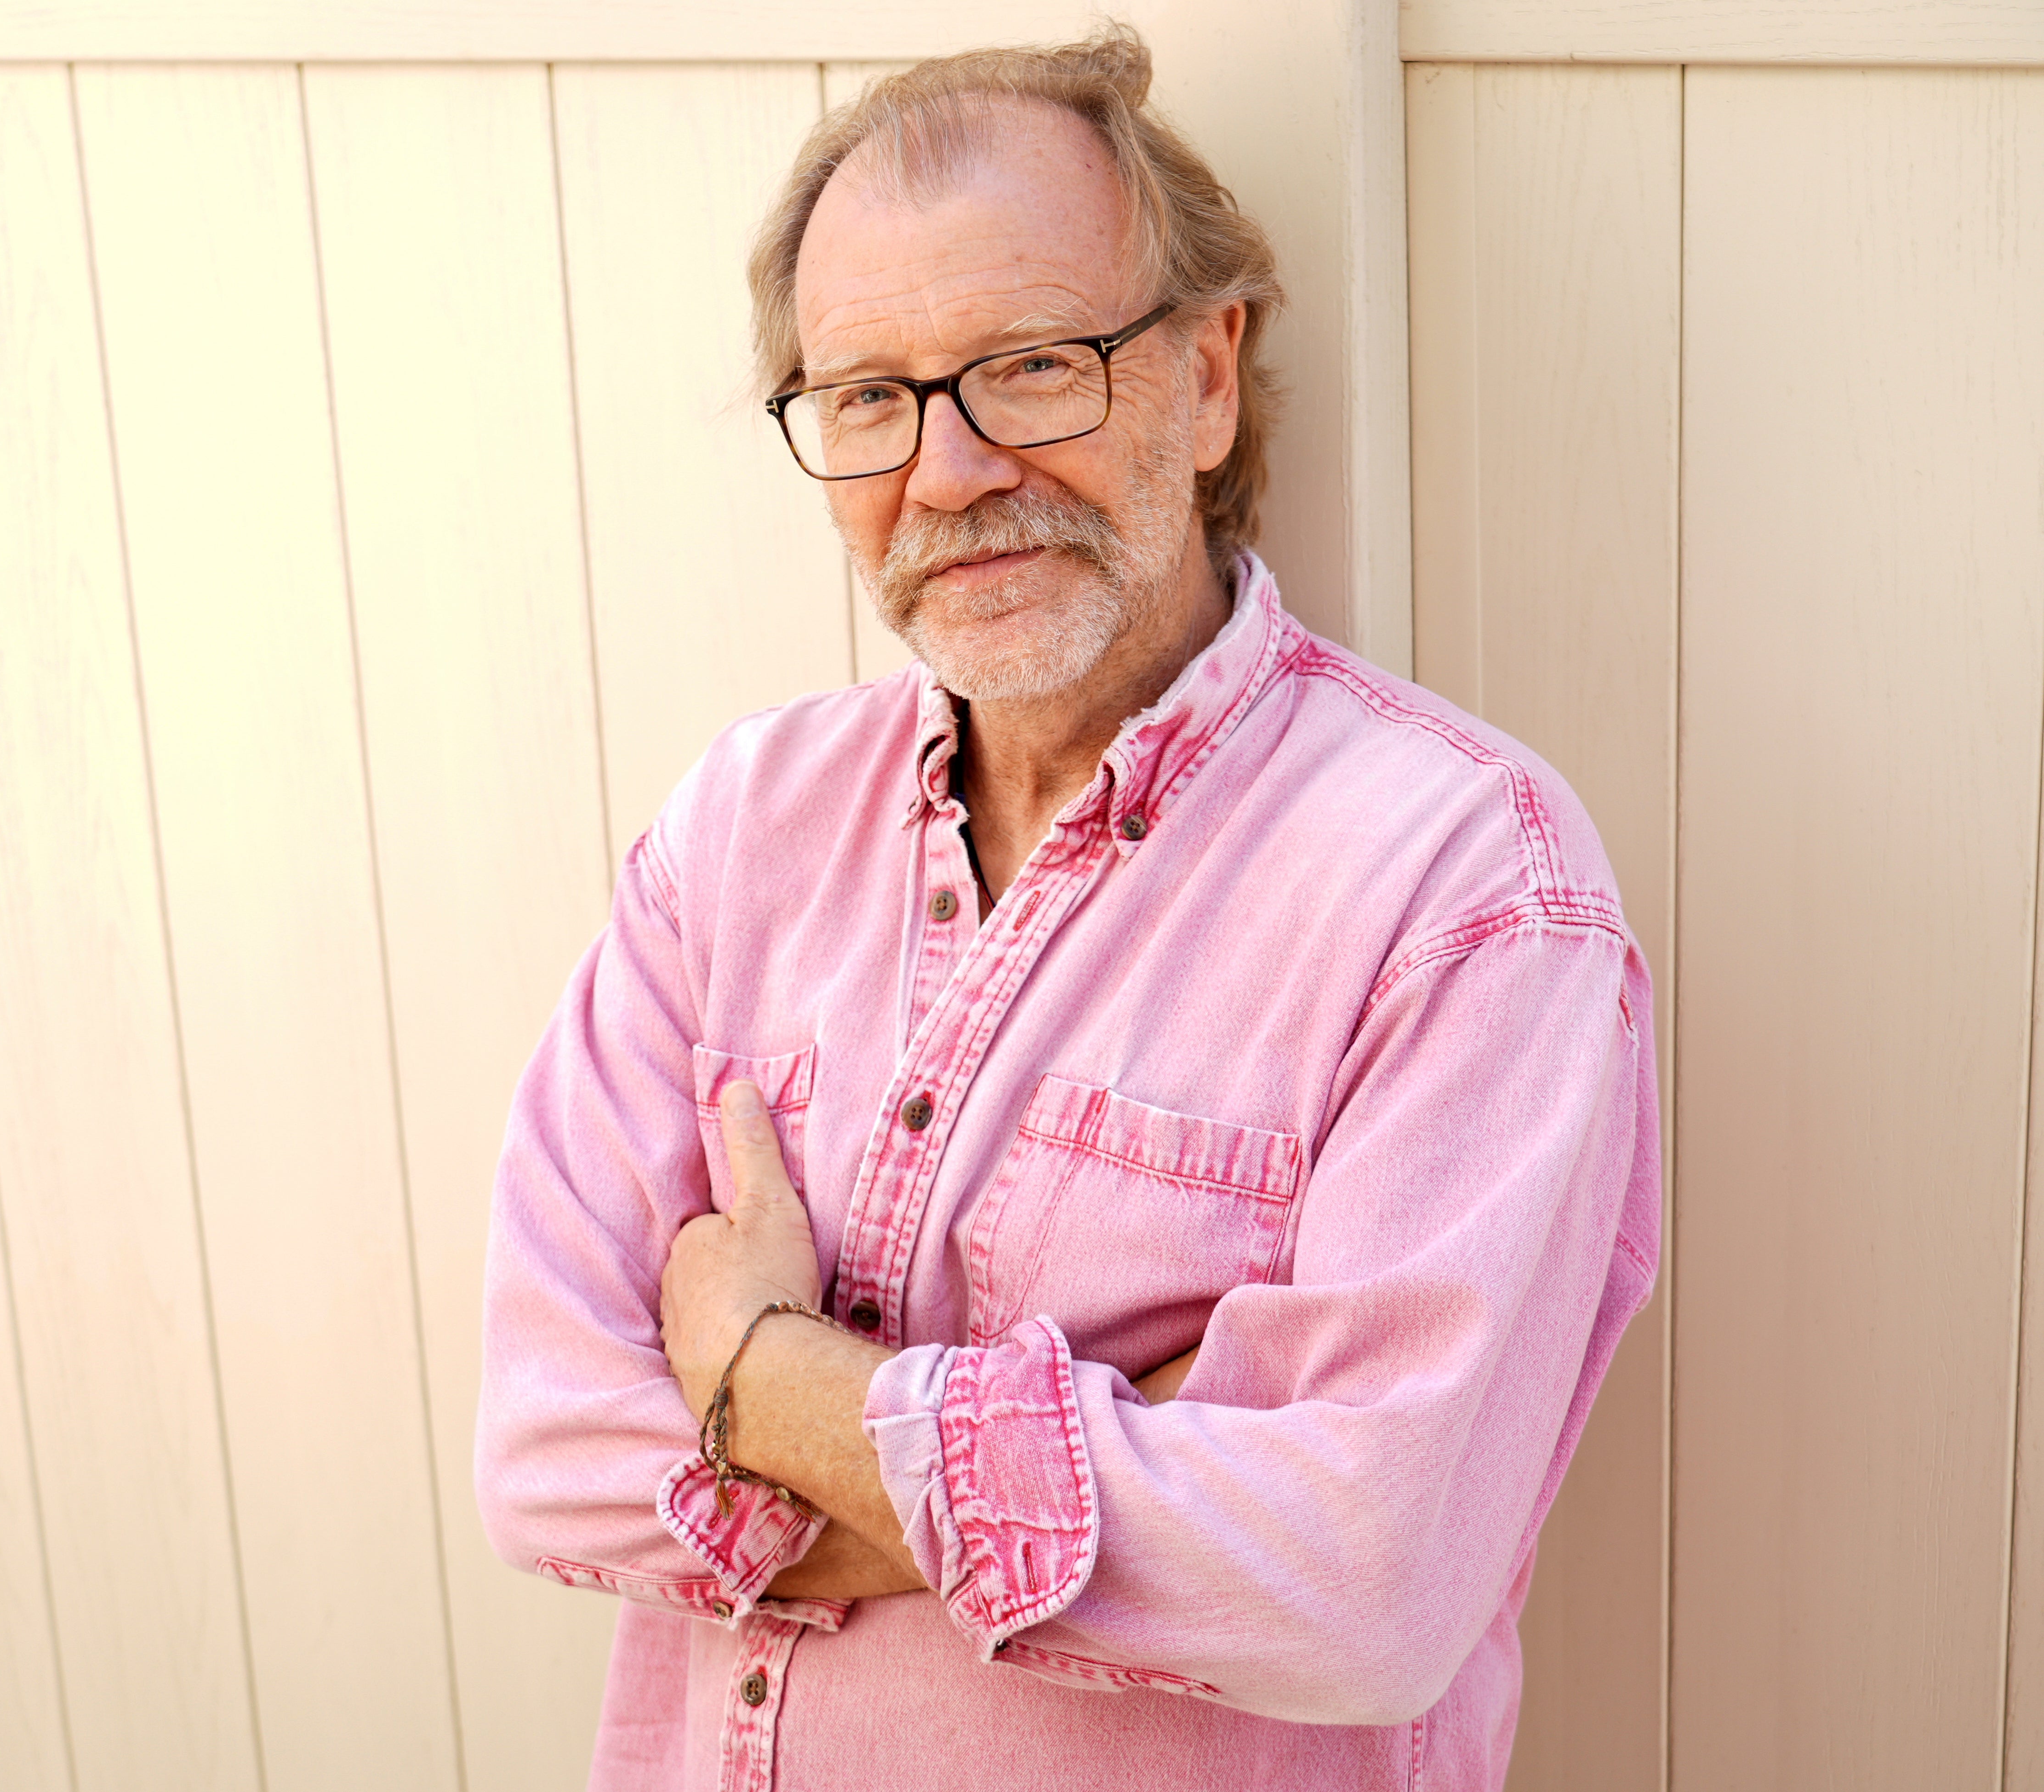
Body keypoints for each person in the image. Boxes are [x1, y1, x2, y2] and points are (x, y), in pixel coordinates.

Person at [474, 25, 1659, 1791]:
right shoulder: (741, 830)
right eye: (869, 395)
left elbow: (1364, 1576)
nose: (948, 471)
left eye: (1031, 365)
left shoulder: (1469, 889)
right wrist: (1118, 1463)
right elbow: (548, 1448)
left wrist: (762, 1372)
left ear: (1205, 376)